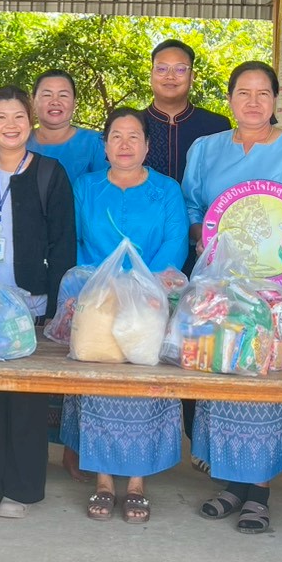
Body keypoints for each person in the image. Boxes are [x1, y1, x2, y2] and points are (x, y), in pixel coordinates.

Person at [182, 60, 282, 534]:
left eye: (263, 94)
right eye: (243, 93)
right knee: (224, 381)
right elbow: (194, 206)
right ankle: (228, 482)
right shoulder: (205, 149)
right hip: (220, 287)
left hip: (273, 291)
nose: (253, 102)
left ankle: (258, 491)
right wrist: (202, 239)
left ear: (276, 100)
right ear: (228, 100)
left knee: (261, 388)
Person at [72, 107, 189, 523]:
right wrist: (99, 289)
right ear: (104, 145)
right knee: (101, 387)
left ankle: (137, 482)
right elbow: (73, 242)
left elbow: (175, 245)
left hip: (152, 301)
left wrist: (145, 291)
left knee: (143, 386)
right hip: (96, 301)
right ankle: (103, 481)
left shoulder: (167, 189)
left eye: (133, 137)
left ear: (147, 145)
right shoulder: (85, 187)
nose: (124, 145)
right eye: (116, 136)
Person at [0, 86, 75, 519]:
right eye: (0, 118)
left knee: (26, 397)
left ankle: (23, 489)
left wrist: (56, 308)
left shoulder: (50, 172)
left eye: (17, 117)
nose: (10, 125)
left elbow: (64, 242)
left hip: (30, 302)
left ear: (30, 122)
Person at [143, 39, 230, 183]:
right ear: (151, 74)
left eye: (180, 69)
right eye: (162, 68)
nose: (170, 76)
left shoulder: (217, 127)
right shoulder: (130, 124)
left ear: (192, 77)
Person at [26, 70, 107, 183]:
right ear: (33, 100)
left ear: (74, 102)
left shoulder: (96, 143)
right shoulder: (19, 142)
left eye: (63, 95)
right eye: (47, 95)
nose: (55, 102)